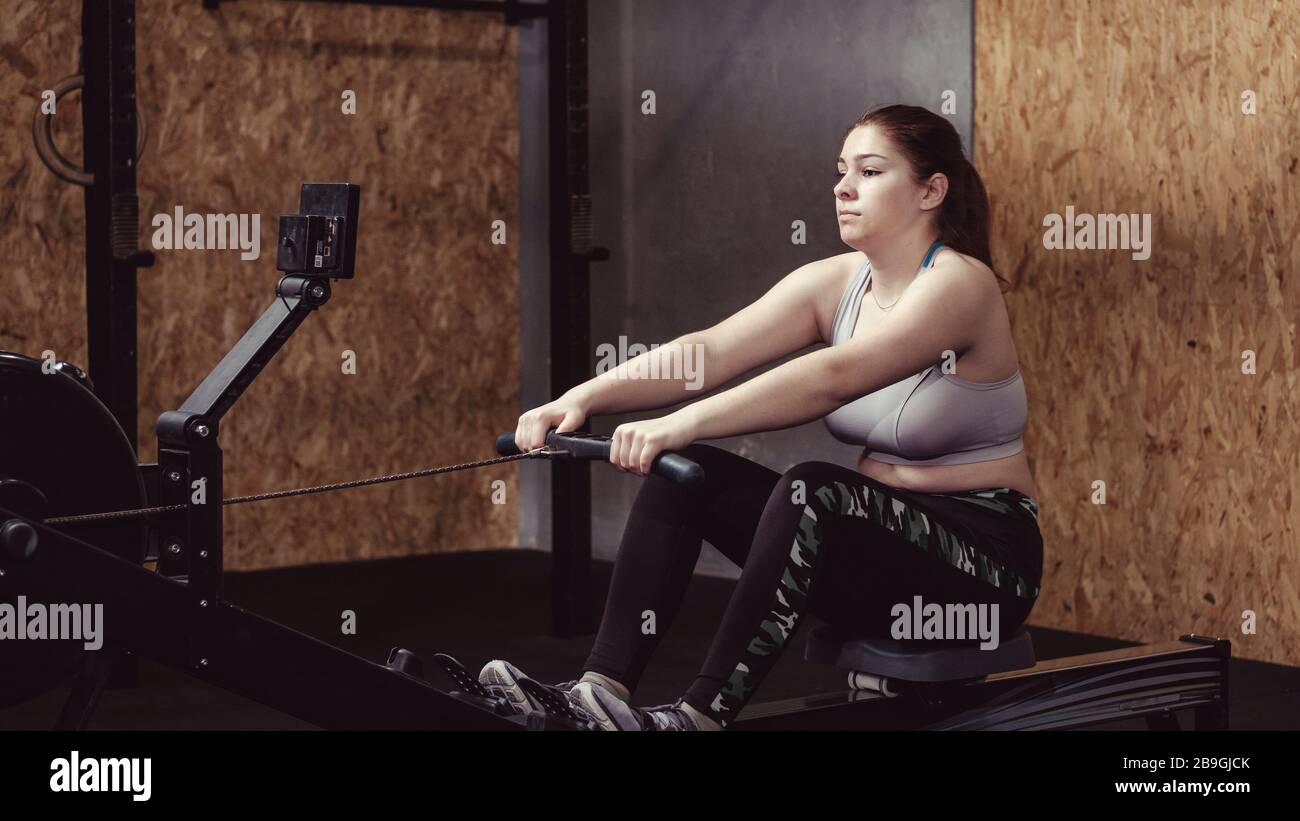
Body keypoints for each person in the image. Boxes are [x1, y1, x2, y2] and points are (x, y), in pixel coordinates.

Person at [482, 104, 1043, 731]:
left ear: (931, 190)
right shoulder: (837, 284)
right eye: (840, 170)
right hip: (881, 561)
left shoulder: (961, 285)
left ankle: (699, 716)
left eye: (871, 170)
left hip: (985, 574)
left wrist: (680, 422)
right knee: (684, 471)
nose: (842, 187)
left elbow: (834, 378)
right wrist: (581, 398)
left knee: (814, 488)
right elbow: (712, 350)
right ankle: (600, 694)